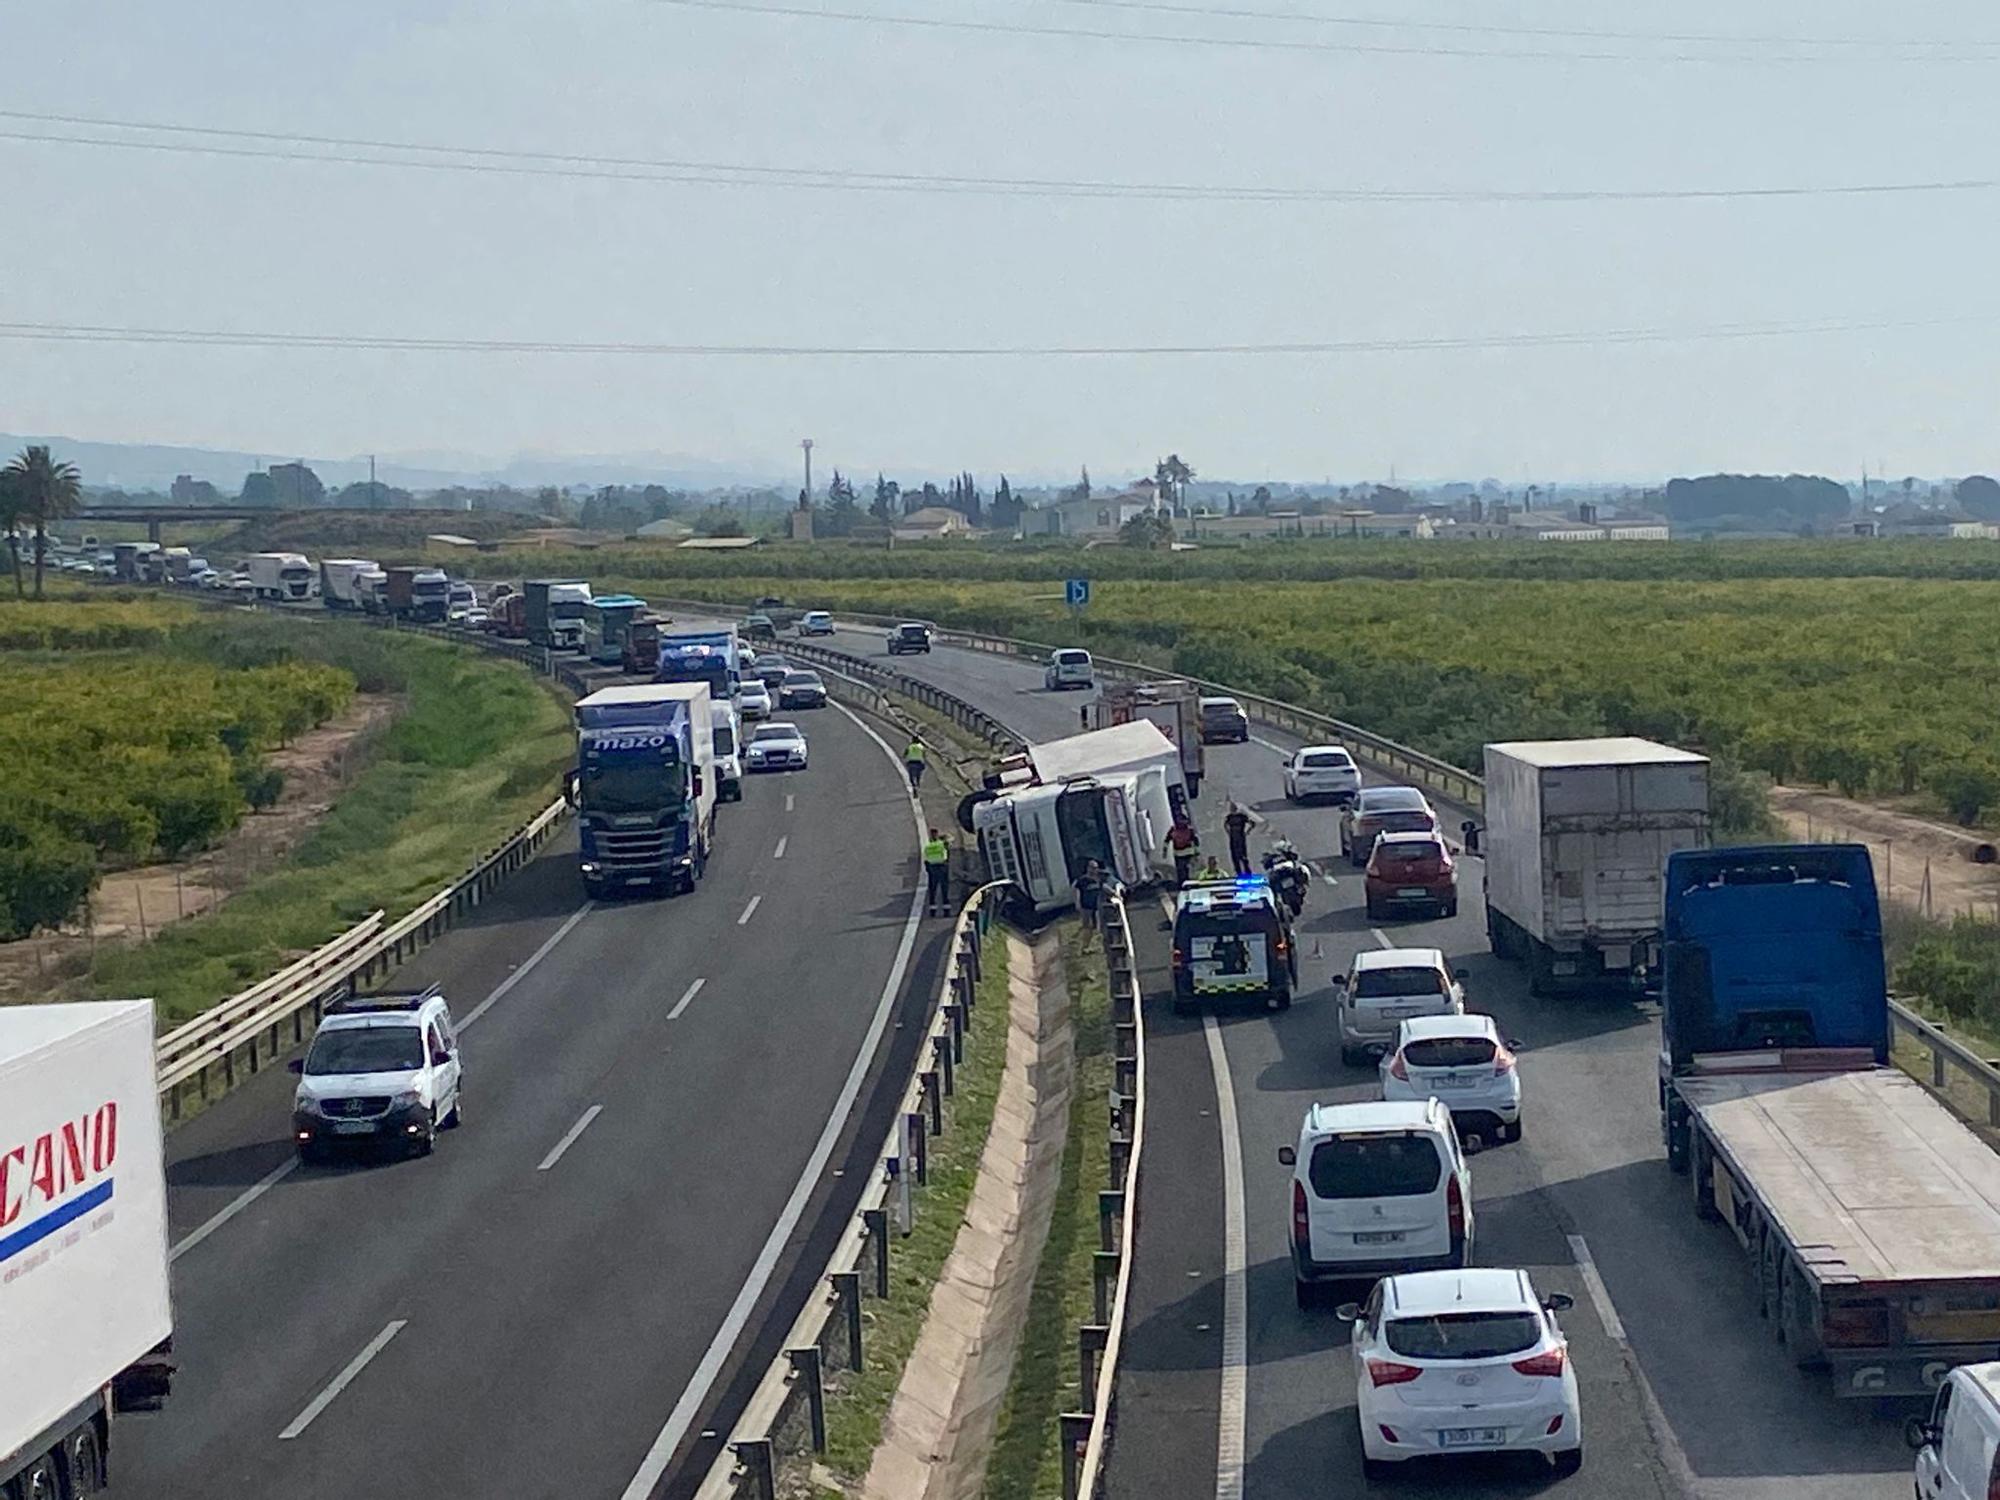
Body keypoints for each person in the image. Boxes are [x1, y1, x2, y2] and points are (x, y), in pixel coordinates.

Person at [1164, 818, 1201, 888]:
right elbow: (1167, 840)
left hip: (1188, 852)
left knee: (1186, 869)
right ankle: (1183, 883)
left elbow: (1195, 841)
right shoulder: (1173, 829)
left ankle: (1187, 882)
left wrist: (1197, 852)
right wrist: (1165, 851)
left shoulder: (1189, 830)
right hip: (1179, 853)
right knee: (1181, 869)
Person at [922, 827, 951, 915]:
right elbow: (947, 855)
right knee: (944, 890)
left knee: (932, 890)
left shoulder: (928, 846)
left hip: (932, 869)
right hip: (942, 867)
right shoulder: (942, 844)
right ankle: (946, 911)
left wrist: (928, 869)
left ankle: (932, 911)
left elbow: (926, 859)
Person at [1073, 859, 1105, 931]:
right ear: (1088, 868)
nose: (1095, 870)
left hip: (1096, 907)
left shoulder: (1098, 880)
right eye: (1093, 868)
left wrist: (1115, 894)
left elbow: (1104, 888)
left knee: (1098, 926)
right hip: (1086, 907)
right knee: (1086, 926)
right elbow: (1076, 890)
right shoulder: (1082, 880)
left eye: (1096, 868)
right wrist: (1077, 903)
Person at [1223, 801, 1254, 877]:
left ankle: (1247, 871)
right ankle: (1239, 872)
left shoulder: (1241, 816)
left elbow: (1252, 823)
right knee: (1235, 855)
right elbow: (1225, 825)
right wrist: (1229, 832)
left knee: (1242, 854)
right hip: (1233, 838)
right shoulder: (1229, 817)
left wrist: (1247, 831)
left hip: (1240, 837)